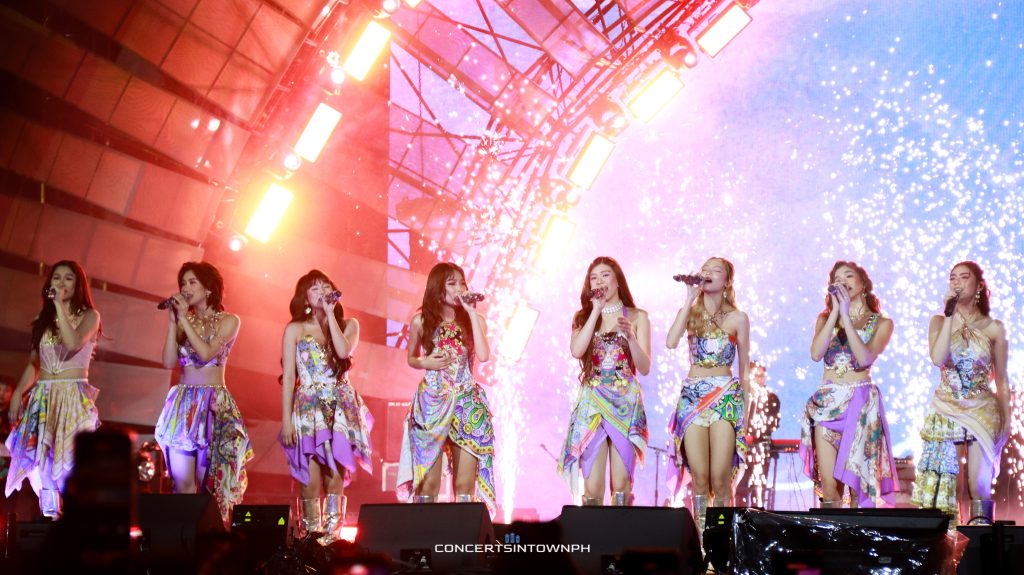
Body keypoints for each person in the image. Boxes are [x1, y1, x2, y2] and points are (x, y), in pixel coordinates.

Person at [911, 261, 1011, 526]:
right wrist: (949, 316)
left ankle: (981, 543)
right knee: (948, 487)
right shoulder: (938, 321)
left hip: (982, 410)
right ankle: (949, 544)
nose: (956, 282)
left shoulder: (994, 327)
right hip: (946, 408)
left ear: (979, 286)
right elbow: (938, 358)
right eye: (952, 278)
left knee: (978, 485)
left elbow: (1002, 379)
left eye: (964, 277)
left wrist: (1007, 421)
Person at [154, 261, 252, 524]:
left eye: (192, 282)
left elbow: (207, 353)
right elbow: (168, 362)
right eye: (182, 283)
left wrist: (184, 320)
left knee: (209, 484)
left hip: (213, 403)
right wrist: (172, 322)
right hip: (183, 404)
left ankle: (210, 540)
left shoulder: (230, 321)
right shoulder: (183, 321)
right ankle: (183, 540)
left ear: (208, 288)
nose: (185, 288)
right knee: (182, 484)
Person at [280, 270, 373, 543]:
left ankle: (331, 545)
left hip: (340, 409)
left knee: (335, 478)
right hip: (308, 409)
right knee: (308, 482)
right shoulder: (294, 329)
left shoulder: (350, 325)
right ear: (305, 298)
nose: (321, 291)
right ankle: (309, 547)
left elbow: (343, 351)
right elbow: (289, 377)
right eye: (314, 288)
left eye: (325, 286)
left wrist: (330, 314)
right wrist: (286, 421)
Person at [396, 262, 496, 515]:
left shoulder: (475, 320)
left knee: (464, 486)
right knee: (428, 484)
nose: (459, 288)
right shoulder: (421, 321)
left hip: (467, 404)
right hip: (432, 402)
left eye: (462, 282)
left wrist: (471, 312)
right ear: (438, 289)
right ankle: (424, 535)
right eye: (452, 283)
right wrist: (425, 362)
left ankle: (463, 537)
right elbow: (412, 358)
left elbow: (484, 356)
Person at [5, 261, 102, 518]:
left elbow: (72, 343)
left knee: (70, 465)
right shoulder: (42, 321)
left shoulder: (90, 316)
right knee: (44, 465)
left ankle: (74, 521)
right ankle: (50, 518)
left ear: (78, 284)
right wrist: (18, 393)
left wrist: (58, 306)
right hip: (44, 397)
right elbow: (35, 364)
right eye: (56, 278)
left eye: (68, 278)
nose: (61, 282)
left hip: (72, 398)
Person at [801, 260, 897, 508]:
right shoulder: (825, 319)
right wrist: (836, 313)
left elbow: (865, 358)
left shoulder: (881, 323)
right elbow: (816, 354)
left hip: (860, 405)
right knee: (829, 488)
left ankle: (856, 532)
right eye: (837, 279)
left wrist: (846, 315)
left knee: (857, 487)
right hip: (827, 405)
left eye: (849, 276)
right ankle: (830, 533)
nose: (843, 281)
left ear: (863, 283)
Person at [559, 256, 651, 506]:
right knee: (592, 487)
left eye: (605, 275)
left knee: (621, 486)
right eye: (594, 277)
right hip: (593, 405)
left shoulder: (638, 316)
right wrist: (595, 311)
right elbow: (577, 350)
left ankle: (619, 532)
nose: (599, 281)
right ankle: (593, 532)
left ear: (618, 280)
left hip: (625, 405)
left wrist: (631, 337)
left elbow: (644, 368)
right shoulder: (583, 317)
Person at [666, 257, 749, 528]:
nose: (709, 273)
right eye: (705, 269)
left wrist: (745, 415)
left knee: (720, 478)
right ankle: (702, 541)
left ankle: (722, 538)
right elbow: (671, 341)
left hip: (725, 398)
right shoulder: (690, 313)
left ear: (727, 281)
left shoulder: (738, 318)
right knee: (700, 479)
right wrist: (689, 298)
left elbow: (744, 370)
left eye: (716, 270)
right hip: (693, 398)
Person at [735, 361, 780, 508]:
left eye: (762, 376)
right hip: (741, 450)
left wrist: (754, 435)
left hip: (761, 448)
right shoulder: (740, 398)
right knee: (740, 487)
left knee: (758, 488)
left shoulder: (771, 399)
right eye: (756, 376)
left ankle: (757, 515)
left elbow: (772, 424)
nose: (759, 379)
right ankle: (739, 514)